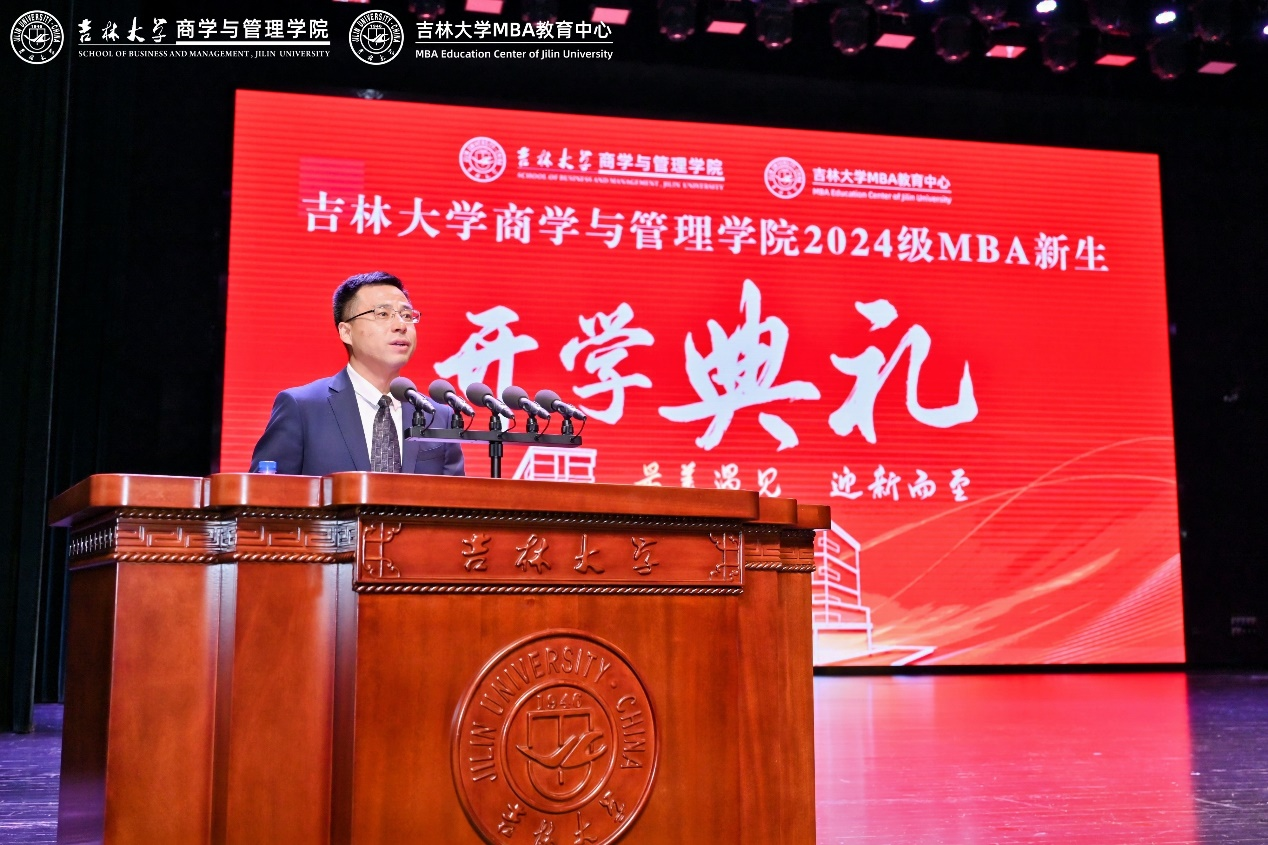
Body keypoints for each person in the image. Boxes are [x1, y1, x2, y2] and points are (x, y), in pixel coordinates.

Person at [250, 271, 465, 476]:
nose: (401, 325)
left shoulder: (438, 416)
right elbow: (265, 494)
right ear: (346, 332)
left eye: (407, 315)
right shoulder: (302, 407)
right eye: (383, 314)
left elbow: (456, 498)